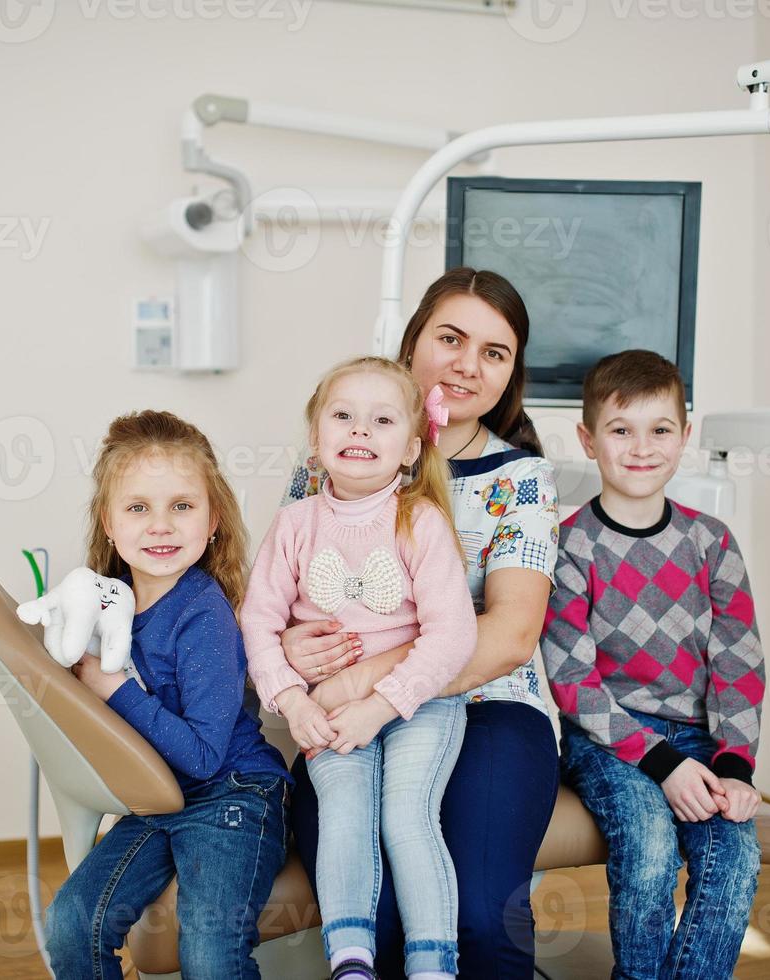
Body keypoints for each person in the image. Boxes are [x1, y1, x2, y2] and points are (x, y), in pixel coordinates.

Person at [281, 268, 562, 978]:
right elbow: (283, 602)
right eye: (451, 338)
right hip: (344, 719)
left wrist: (372, 685)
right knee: (366, 921)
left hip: (484, 707)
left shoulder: (520, 481)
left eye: (494, 352)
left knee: (478, 921)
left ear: (509, 375)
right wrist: (289, 645)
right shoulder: (328, 464)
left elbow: (510, 636)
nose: (468, 364)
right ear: (411, 344)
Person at [241, 356, 476, 980]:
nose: (359, 432)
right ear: (316, 439)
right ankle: (351, 956)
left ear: (410, 447)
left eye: (381, 420)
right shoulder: (294, 524)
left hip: (421, 700)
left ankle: (432, 963)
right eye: (343, 416)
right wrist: (294, 703)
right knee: (344, 813)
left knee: (406, 815)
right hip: (327, 709)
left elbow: (453, 634)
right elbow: (257, 621)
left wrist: (383, 703)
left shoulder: (419, 521)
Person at [43, 410, 291, 980]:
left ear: (213, 522)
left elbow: (204, 753)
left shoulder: (203, 614)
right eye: (138, 508)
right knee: (72, 922)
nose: (161, 526)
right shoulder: (110, 606)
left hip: (233, 794)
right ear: (108, 523)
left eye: (182, 506)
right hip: (157, 799)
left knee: (208, 953)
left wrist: (115, 689)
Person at [541, 350, 764, 980]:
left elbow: (739, 664)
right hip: (606, 744)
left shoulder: (712, 541)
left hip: (702, 743)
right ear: (588, 440)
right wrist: (663, 764)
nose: (642, 448)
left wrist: (734, 764)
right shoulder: (569, 547)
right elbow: (573, 684)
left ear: (684, 437)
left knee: (734, 861)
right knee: (648, 851)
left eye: (660, 429)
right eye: (621, 430)